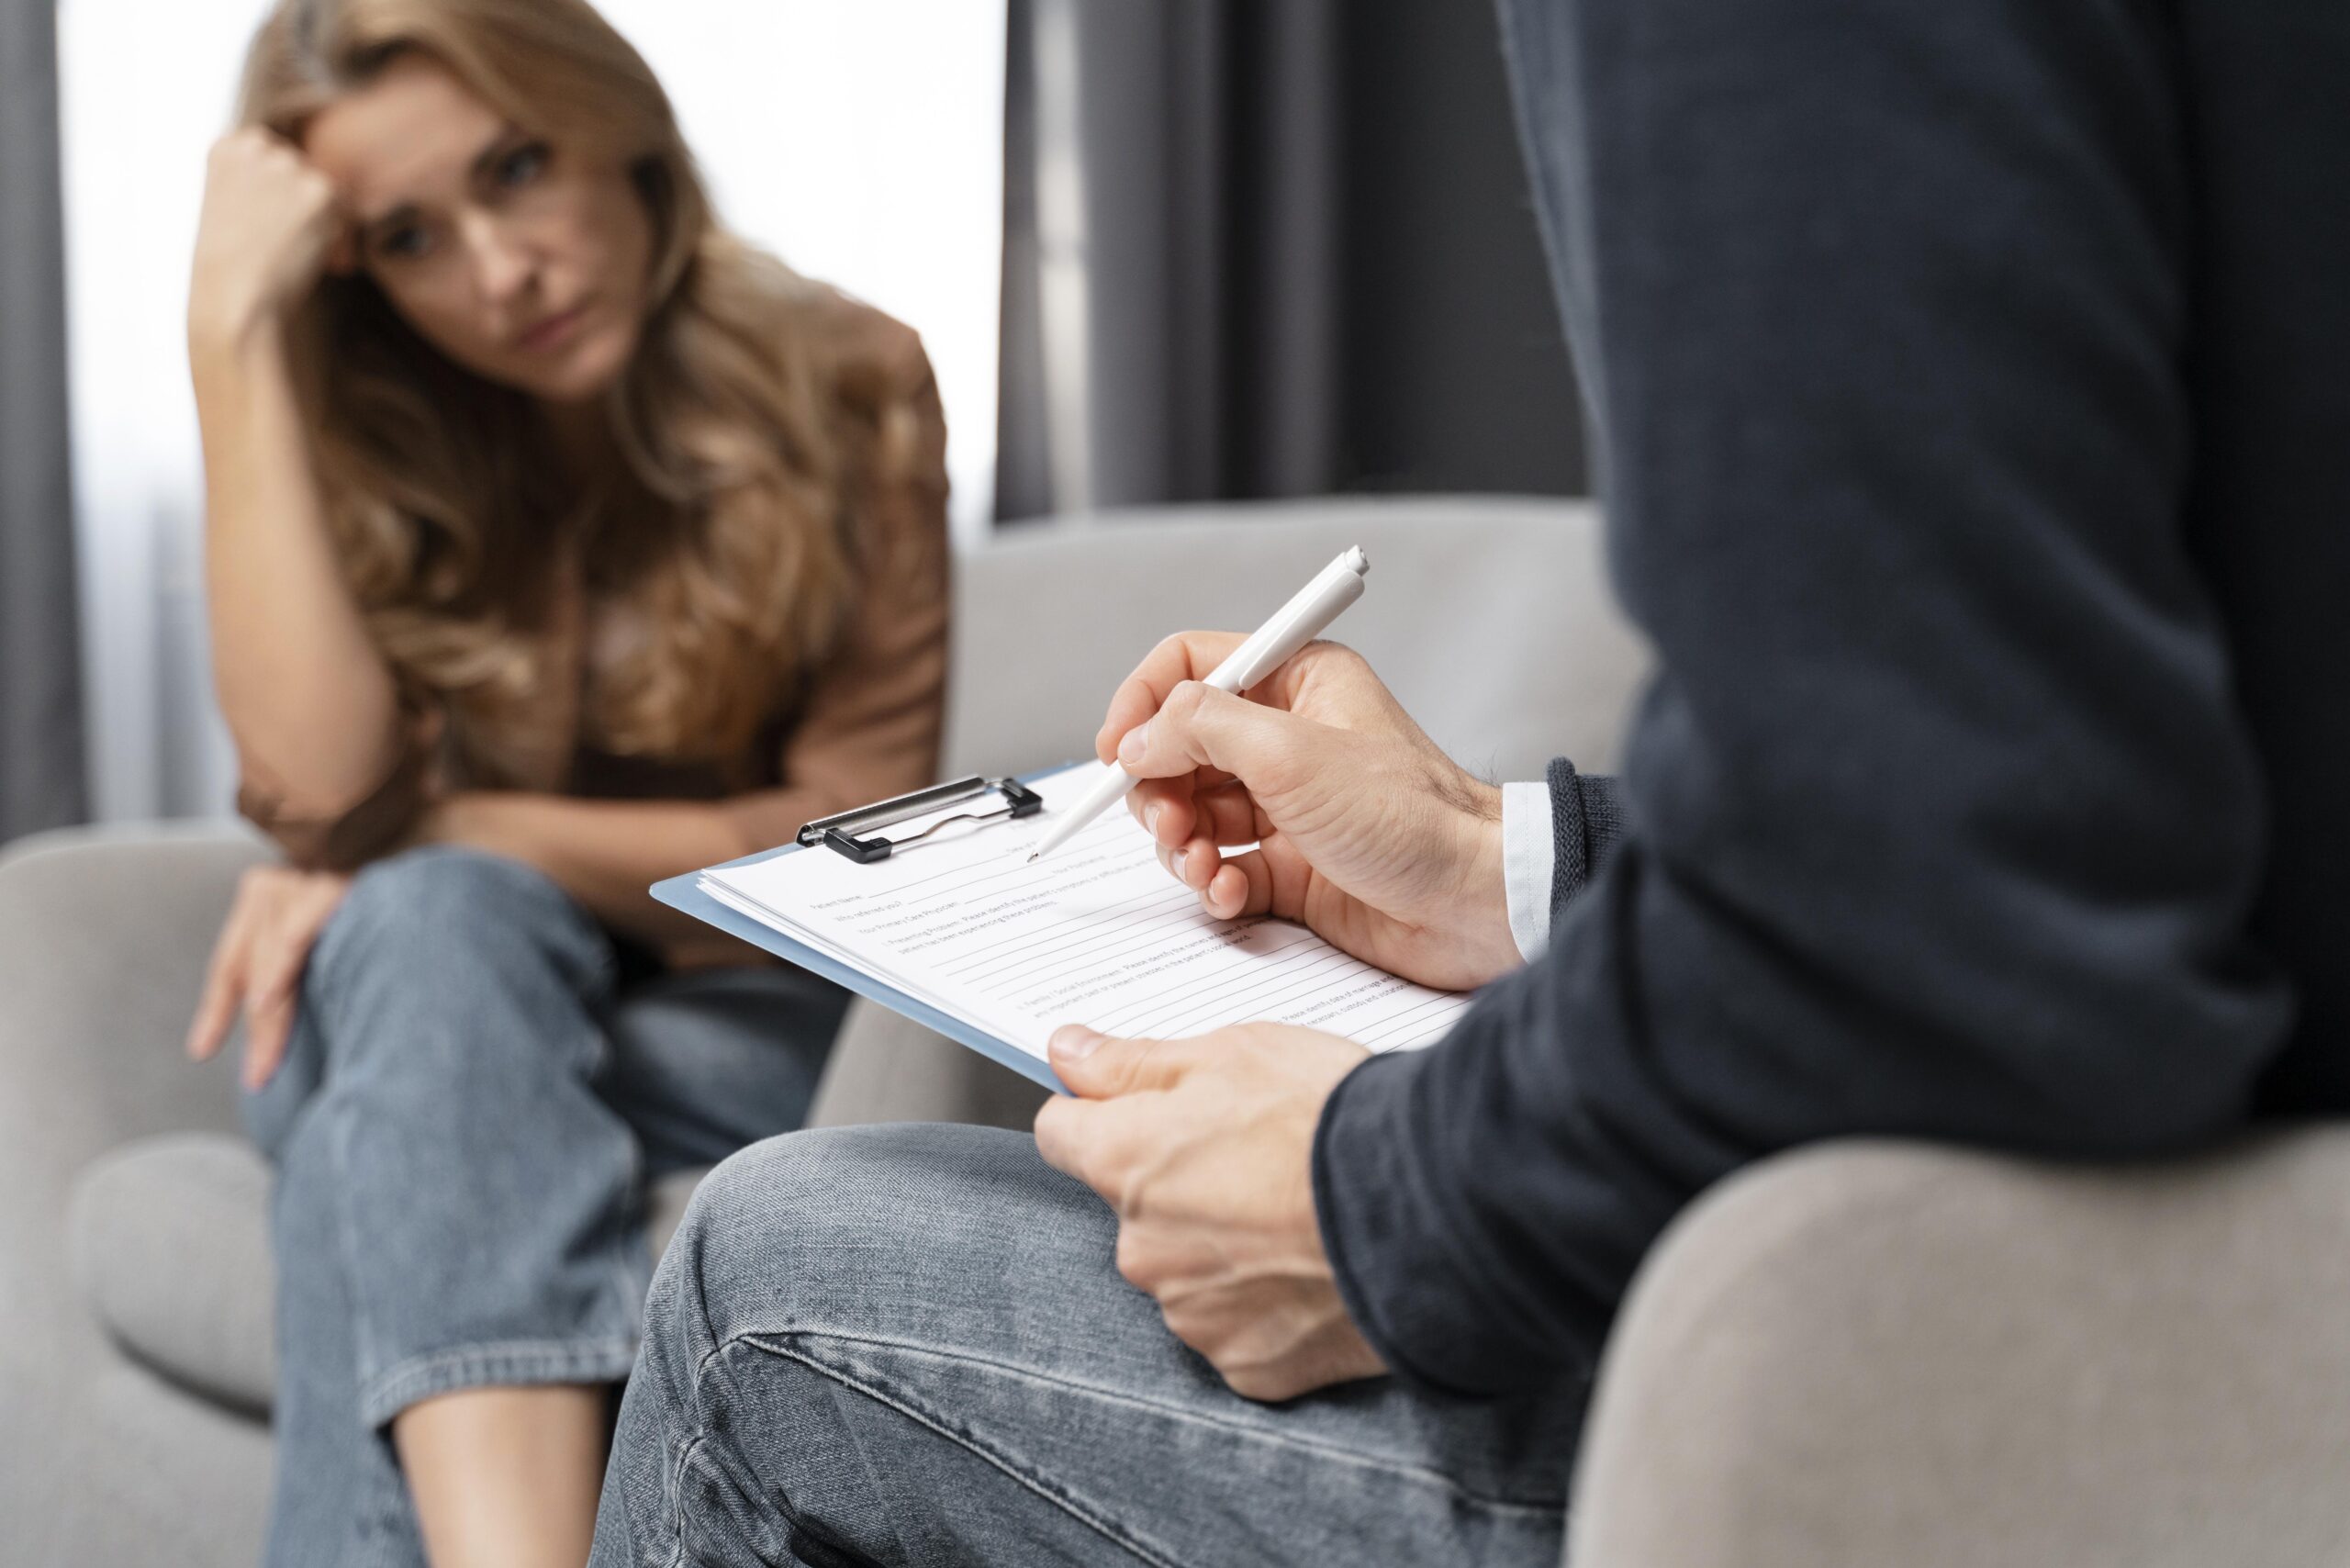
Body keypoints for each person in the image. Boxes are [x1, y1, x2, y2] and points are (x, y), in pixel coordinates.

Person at [589, 0, 2350, 1562]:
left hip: (2093, 1374)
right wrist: (1503, 861)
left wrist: (1379, 1201)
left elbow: (1946, 927)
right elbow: (2159, 767)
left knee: (776, 1280)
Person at [178, 0, 951, 1562]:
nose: (498, 271)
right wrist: (229, 341)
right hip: (437, 996)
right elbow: (323, 802)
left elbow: (832, 858)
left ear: (607, 113)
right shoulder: (375, 426)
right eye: (409, 238)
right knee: (427, 941)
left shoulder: (852, 376)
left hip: (738, 1021)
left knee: (376, 1109)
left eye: (516, 166)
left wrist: (450, 831)